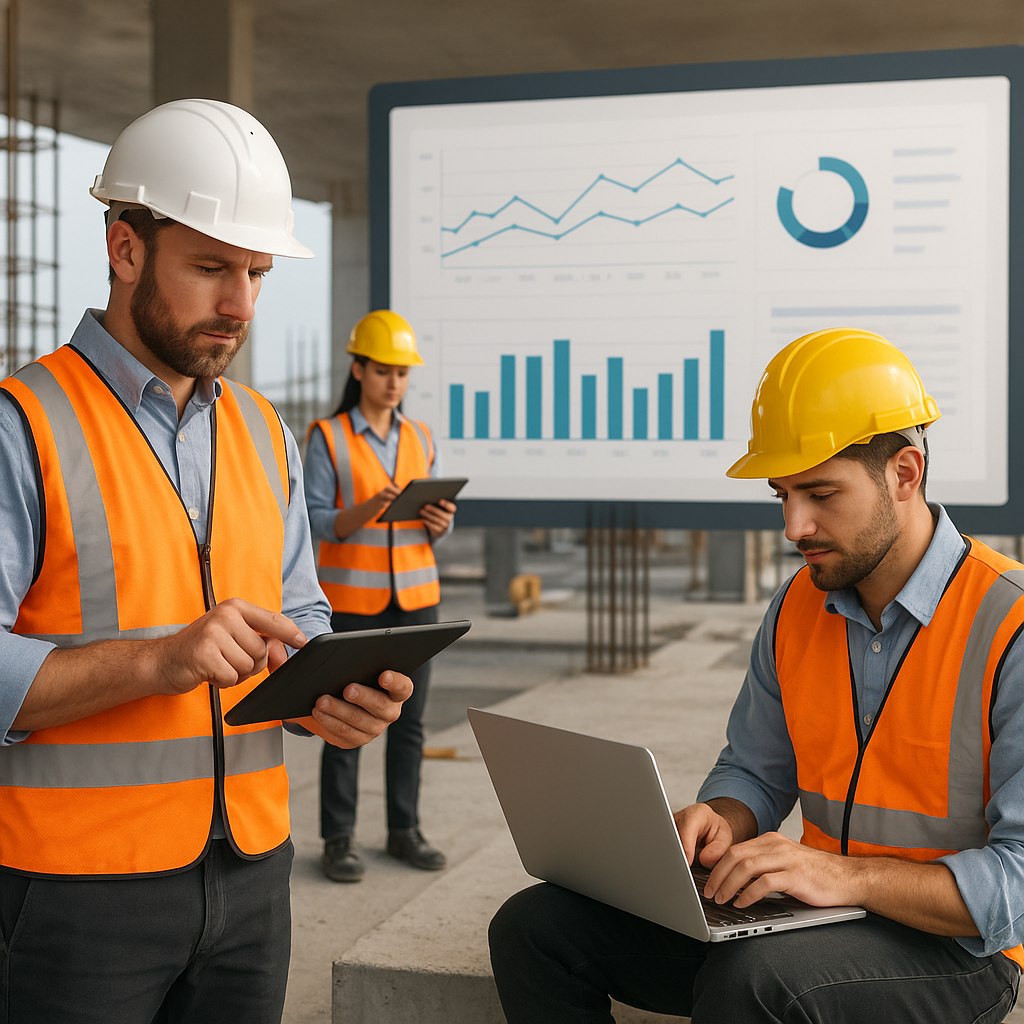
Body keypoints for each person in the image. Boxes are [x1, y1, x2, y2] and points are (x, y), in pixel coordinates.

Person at [0, 99, 415, 1024]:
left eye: (258, 275)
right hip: (76, 888)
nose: (240, 306)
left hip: (252, 878)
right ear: (125, 248)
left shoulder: (264, 432)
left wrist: (327, 699)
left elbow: (300, 616)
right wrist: (160, 660)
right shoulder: (21, 426)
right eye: (211, 269)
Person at [488, 327, 1024, 1024]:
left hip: (960, 951)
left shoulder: (1008, 624)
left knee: (756, 980)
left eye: (821, 493)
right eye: (782, 496)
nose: (794, 525)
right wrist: (719, 820)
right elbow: (757, 769)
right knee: (534, 928)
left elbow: (1016, 883)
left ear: (905, 473)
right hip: (814, 914)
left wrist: (838, 875)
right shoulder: (798, 607)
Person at [304, 310, 456, 882]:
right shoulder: (329, 437)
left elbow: (436, 527)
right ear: (359, 369)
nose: (394, 381)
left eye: (402, 372)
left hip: (417, 599)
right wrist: (370, 509)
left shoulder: (420, 438)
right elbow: (318, 521)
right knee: (342, 722)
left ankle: (403, 830)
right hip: (352, 604)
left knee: (411, 724)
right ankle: (339, 839)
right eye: (384, 369)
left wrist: (441, 523)